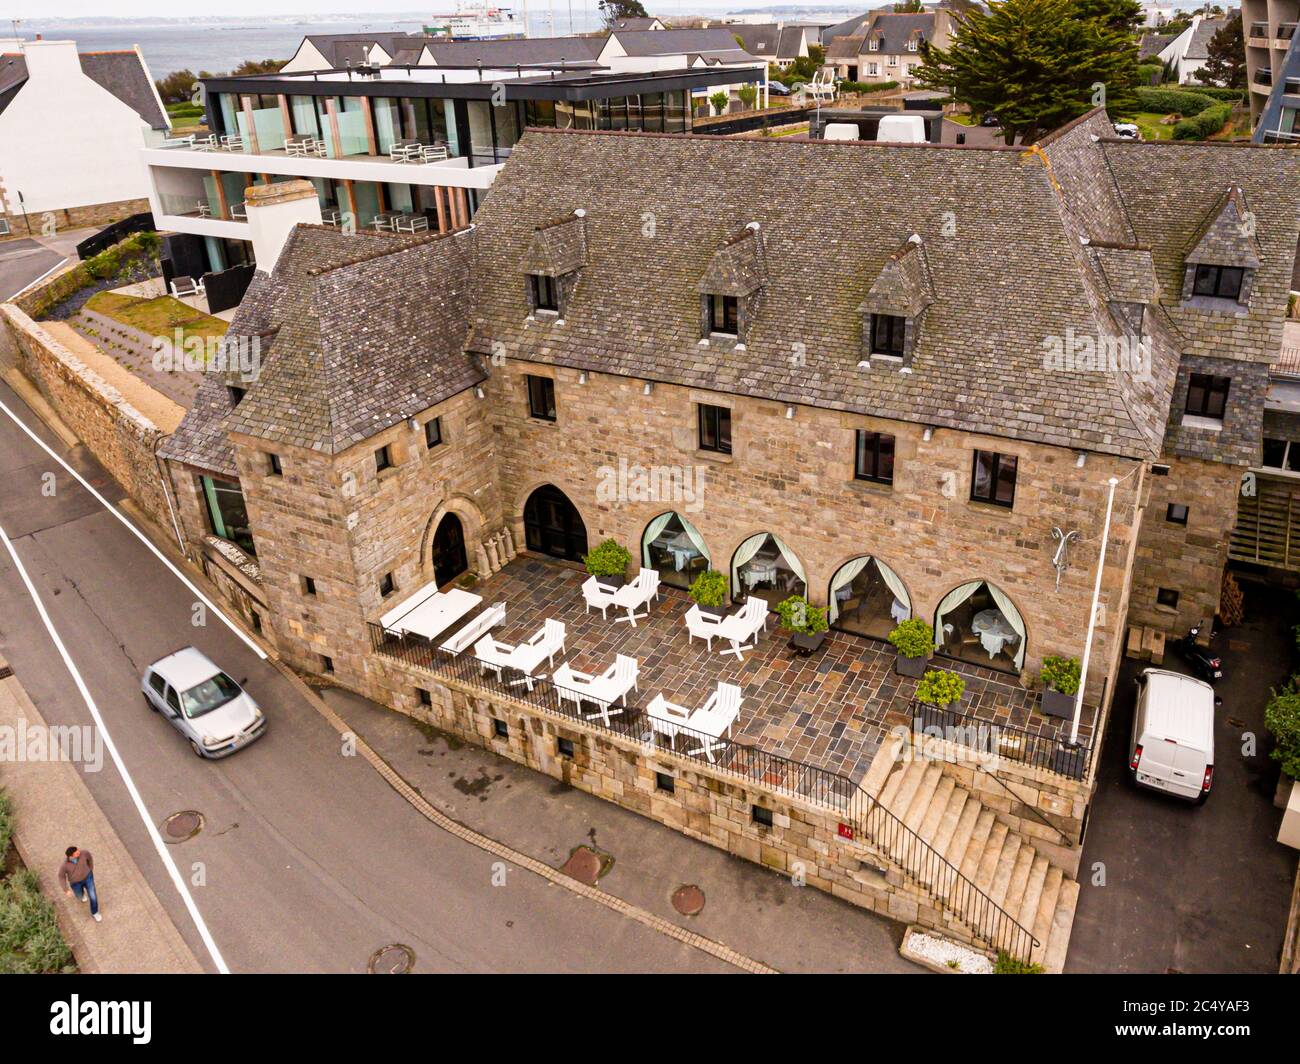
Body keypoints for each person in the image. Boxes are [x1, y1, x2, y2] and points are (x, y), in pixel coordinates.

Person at [58, 845, 101, 922]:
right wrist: (66, 890)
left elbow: (90, 858)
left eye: (78, 850)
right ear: (71, 856)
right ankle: (82, 895)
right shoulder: (64, 865)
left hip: (88, 878)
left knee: (93, 896)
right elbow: (61, 876)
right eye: (77, 853)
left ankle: (95, 912)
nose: (79, 852)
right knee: (79, 895)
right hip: (76, 883)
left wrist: (90, 869)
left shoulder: (84, 853)